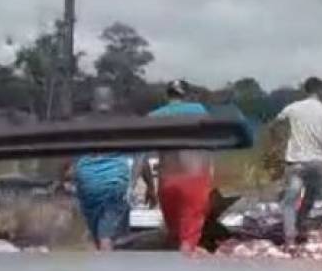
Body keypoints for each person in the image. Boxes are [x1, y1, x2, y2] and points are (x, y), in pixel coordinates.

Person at [68, 85, 156, 251]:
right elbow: (141, 156)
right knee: (107, 238)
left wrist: (68, 177)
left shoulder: (80, 124)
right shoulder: (122, 126)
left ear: (92, 103)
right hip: (114, 184)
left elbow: (69, 157)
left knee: (98, 234)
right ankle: (107, 265)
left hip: (87, 186)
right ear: (113, 102)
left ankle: (105, 259)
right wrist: (136, 185)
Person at [273, 77, 322, 245]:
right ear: (321, 91)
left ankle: (290, 239)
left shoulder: (292, 108)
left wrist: (281, 143)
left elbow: (276, 124)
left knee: (290, 201)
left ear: (305, 90)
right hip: (316, 162)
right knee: (310, 197)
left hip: (296, 162)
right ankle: (301, 225)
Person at [149, 80, 213, 253]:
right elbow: (209, 143)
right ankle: (184, 269)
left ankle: (172, 267)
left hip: (167, 180)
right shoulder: (199, 110)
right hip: (194, 177)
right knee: (188, 238)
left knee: (174, 234)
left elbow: (143, 149)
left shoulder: (154, 116)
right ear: (187, 95)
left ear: (167, 95)